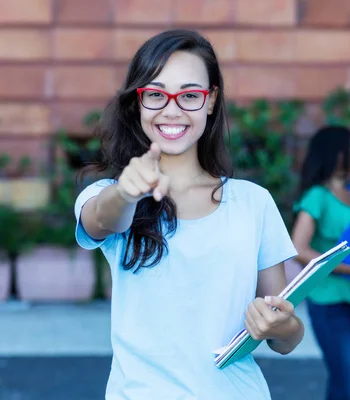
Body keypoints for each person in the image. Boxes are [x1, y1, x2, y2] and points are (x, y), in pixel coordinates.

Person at [73, 29, 304, 400]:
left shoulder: (253, 202)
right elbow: (103, 220)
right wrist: (127, 191)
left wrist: (280, 325)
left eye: (190, 95)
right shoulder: (107, 196)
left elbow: (286, 338)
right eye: (156, 94)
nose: (172, 108)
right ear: (138, 101)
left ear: (210, 101)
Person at [290, 126, 350, 400]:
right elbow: (298, 248)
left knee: (344, 381)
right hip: (330, 302)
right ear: (336, 153)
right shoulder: (317, 196)